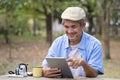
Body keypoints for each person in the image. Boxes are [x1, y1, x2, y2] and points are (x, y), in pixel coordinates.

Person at [42, 7, 104, 78]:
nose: (70, 31)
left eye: (73, 27)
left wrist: (84, 64)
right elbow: (45, 66)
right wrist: (45, 71)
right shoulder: (57, 43)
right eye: (66, 27)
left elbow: (94, 73)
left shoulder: (95, 45)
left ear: (83, 26)